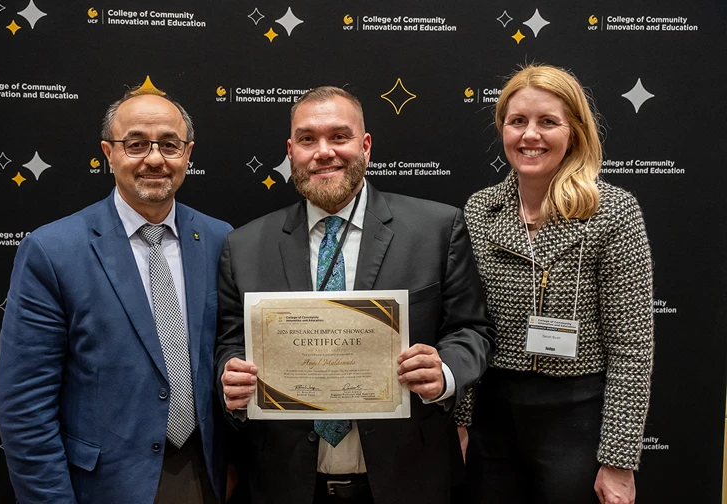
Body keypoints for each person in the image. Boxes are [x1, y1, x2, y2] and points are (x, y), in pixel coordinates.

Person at [215, 86, 496, 504]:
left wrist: (446, 373)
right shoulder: (244, 246)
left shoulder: (437, 228)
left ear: (365, 146)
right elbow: (231, 342)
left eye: (339, 137)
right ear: (291, 151)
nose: (323, 152)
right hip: (286, 483)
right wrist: (231, 380)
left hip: (406, 479)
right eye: (308, 139)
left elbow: (472, 330)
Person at [0, 85, 232, 504]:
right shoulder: (53, 251)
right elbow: (25, 408)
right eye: (136, 144)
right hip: (102, 487)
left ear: (188, 154)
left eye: (169, 145)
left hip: (206, 478)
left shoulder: (221, 240)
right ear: (108, 153)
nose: (155, 159)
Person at [455, 64, 654, 504]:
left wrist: (619, 462)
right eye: (517, 121)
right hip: (493, 415)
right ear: (502, 128)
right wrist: (461, 422)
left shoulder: (614, 212)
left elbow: (632, 347)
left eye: (548, 122)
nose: (530, 136)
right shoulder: (479, 210)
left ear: (575, 132)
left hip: (576, 418)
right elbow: (465, 327)